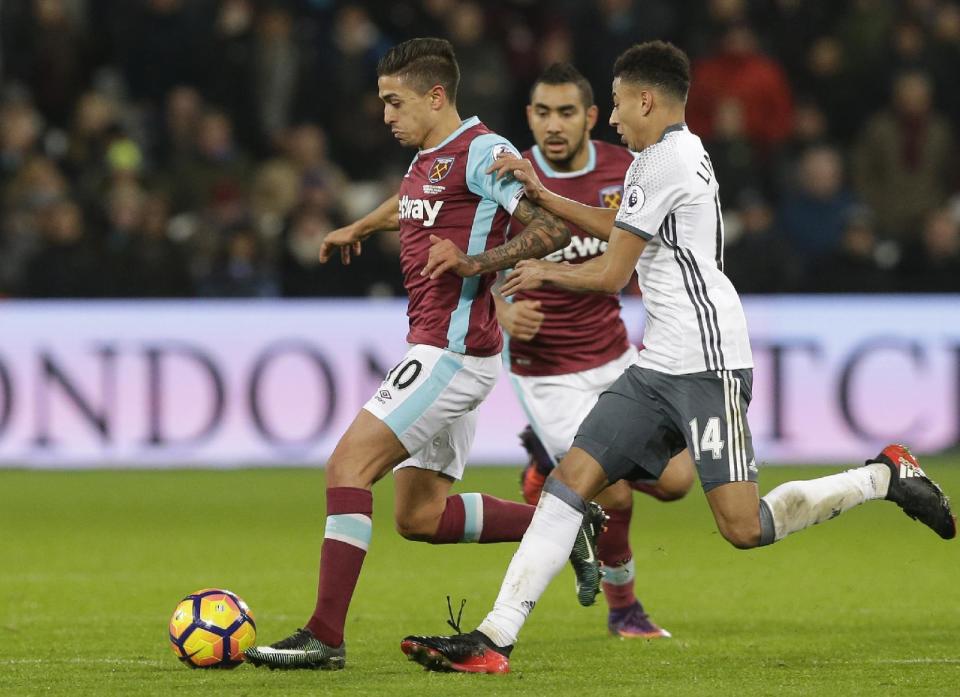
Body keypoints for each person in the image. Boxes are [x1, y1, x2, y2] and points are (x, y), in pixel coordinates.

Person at [400, 40, 956, 675]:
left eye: (613, 105)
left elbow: (611, 275)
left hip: (708, 364)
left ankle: (884, 476)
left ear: (645, 99)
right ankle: (494, 638)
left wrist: (541, 275)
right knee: (569, 484)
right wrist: (543, 193)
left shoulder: (666, 162)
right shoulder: (656, 157)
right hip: (656, 364)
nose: (610, 119)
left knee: (742, 527)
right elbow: (618, 228)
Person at [243, 37, 584, 671]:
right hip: (451, 351)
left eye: (394, 102)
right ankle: (564, 524)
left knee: (347, 466)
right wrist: (362, 225)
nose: (385, 115)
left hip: (449, 351)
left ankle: (324, 636)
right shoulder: (433, 157)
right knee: (420, 516)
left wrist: (474, 261)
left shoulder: (485, 152)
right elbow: (415, 204)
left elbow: (552, 227)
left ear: (436, 96)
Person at [496, 62, 694, 638]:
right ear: (528, 117)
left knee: (678, 481)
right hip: (546, 372)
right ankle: (623, 609)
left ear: (589, 117)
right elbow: (465, 263)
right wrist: (500, 311)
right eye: (541, 112)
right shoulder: (507, 177)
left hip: (615, 357)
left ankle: (544, 469)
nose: (552, 125)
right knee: (616, 489)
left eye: (565, 113)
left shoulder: (625, 168)